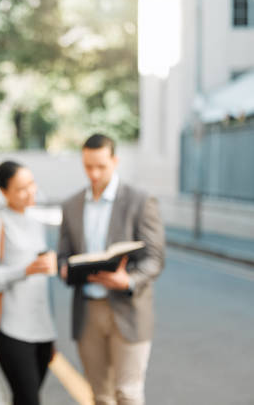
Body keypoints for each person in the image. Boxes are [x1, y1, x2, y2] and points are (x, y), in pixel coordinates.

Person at [58, 133, 165, 405]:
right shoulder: (71, 205)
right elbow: (63, 254)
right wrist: (63, 269)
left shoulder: (141, 200)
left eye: (100, 166)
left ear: (115, 161)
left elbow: (155, 258)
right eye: (88, 166)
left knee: (127, 393)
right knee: (101, 396)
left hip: (128, 309)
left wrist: (127, 280)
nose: (93, 174)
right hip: (88, 312)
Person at [0, 160, 58, 405]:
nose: (30, 191)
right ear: (4, 192)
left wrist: (50, 334)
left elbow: (42, 286)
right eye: (21, 188)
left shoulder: (36, 223)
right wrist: (24, 270)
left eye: (31, 184)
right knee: (29, 400)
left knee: (24, 400)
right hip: (12, 329)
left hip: (42, 331)